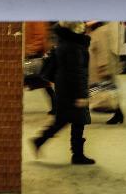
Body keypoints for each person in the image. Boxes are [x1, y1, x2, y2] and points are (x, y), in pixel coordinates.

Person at [30, 21, 95, 165]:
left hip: (64, 87)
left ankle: (41, 141)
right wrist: (81, 95)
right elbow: (77, 73)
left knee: (65, 120)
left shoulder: (65, 42)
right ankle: (77, 155)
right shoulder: (73, 46)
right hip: (72, 89)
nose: (84, 28)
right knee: (76, 121)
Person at [87, 21, 124, 125]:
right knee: (106, 91)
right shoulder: (98, 32)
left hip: (100, 70)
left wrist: (104, 68)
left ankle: (117, 113)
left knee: (106, 92)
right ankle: (118, 113)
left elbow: (103, 52)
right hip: (97, 69)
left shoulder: (100, 32)